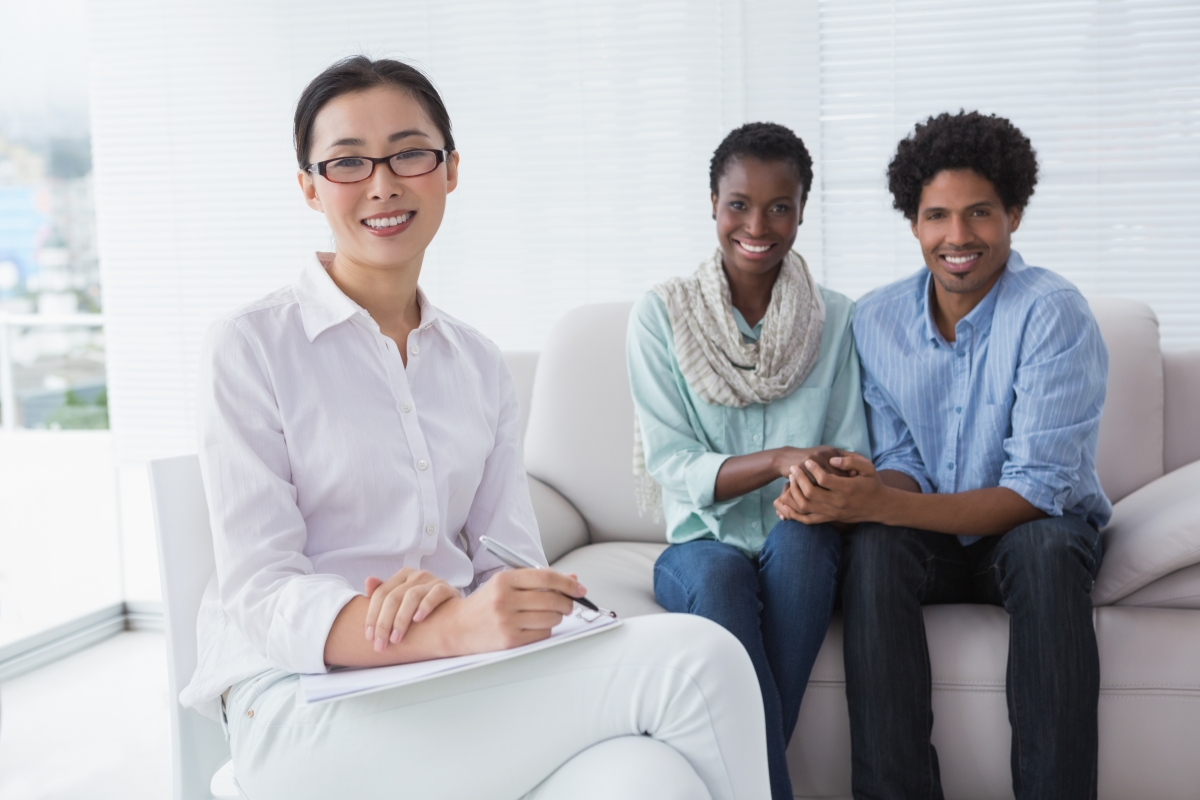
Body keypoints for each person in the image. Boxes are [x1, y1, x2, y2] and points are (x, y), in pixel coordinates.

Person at [179, 56, 773, 800]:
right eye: (347, 163)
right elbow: (263, 592)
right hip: (301, 703)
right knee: (697, 659)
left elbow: (509, 562)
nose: (383, 182)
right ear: (308, 186)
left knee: (651, 780)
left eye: (409, 152)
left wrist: (514, 607)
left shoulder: (478, 364)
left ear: (450, 169)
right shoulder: (250, 345)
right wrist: (444, 627)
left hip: (463, 682)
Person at [775, 110, 1110, 800]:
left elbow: (1037, 490)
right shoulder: (876, 320)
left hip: (1034, 531)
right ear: (914, 223)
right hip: (936, 534)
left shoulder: (1053, 312)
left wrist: (884, 501)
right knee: (875, 546)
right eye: (937, 216)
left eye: (980, 213)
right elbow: (903, 466)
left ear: (1014, 214)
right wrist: (859, 488)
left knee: (1043, 549)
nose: (957, 237)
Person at [627, 122, 871, 800]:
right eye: (739, 203)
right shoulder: (662, 315)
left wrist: (830, 476)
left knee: (803, 542)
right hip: (699, 544)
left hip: (803, 538)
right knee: (724, 577)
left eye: (779, 206)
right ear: (712, 203)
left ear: (801, 211)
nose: (757, 224)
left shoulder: (837, 318)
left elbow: (854, 448)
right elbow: (673, 464)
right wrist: (777, 461)